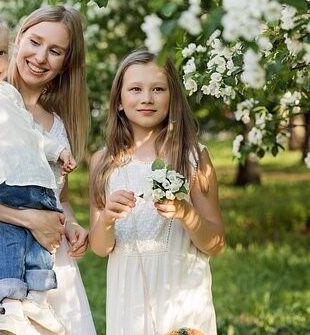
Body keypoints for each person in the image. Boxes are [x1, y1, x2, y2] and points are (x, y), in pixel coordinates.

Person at [0, 5, 96, 335]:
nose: (40, 57)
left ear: (66, 62)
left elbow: (60, 197)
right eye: (35, 42)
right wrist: (28, 219)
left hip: (51, 256)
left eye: (55, 51)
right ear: (19, 38)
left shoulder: (57, 125)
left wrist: (73, 224)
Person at [89, 50, 226, 334]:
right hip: (129, 298)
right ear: (118, 102)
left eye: (158, 89)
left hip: (182, 292)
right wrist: (107, 219)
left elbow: (215, 243)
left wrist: (186, 213)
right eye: (136, 89)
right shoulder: (103, 162)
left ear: (172, 97)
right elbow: (100, 248)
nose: (147, 98)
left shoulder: (192, 157)